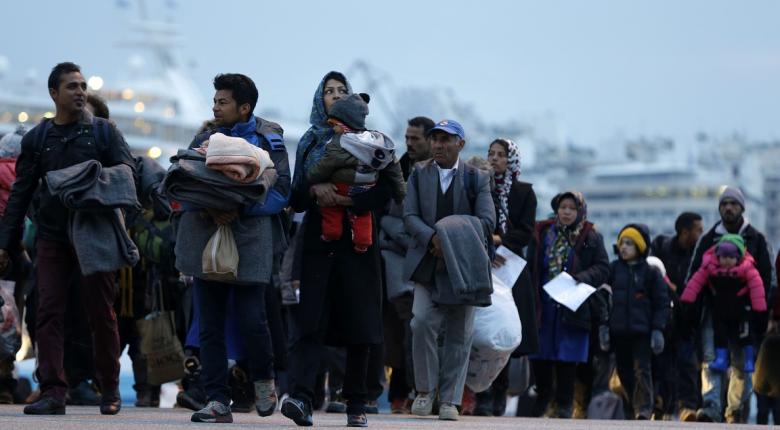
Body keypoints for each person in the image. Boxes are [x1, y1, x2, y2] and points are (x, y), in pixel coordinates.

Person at [0, 62, 135, 415]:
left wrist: (88, 182)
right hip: (53, 236)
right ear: (53, 93)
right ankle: (53, 392)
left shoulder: (104, 132)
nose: (80, 92)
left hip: (95, 233)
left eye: (83, 85)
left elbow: (128, 175)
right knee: (47, 313)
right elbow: (20, 194)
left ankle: (109, 389)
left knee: (101, 313)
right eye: (72, 86)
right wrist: (6, 243)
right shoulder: (37, 139)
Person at [177, 73, 289, 423]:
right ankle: (216, 400)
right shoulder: (204, 139)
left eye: (222, 102)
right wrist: (211, 209)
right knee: (209, 325)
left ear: (245, 107)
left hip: (251, 241)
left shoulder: (269, 139)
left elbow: (282, 190)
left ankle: (263, 380)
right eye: (215, 101)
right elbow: (182, 184)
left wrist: (241, 209)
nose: (215, 107)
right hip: (208, 238)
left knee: (252, 319)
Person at [283, 71, 393, 428]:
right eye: (329, 91)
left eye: (342, 91)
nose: (335, 95)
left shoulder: (373, 142)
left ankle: (356, 402)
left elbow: (387, 192)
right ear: (320, 99)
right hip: (320, 243)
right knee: (310, 321)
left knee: (361, 324)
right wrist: (315, 190)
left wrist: (350, 200)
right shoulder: (311, 141)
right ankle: (301, 396)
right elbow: (297, 196)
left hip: (360, 245)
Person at [404, 119, 495, 421]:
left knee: (460, 332)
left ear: (461, 144)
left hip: (464, 266)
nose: (438, 145)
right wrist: (432, 238)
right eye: (435, 139)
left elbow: (487, 221)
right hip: (427, 262)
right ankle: (425, 391)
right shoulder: (419, 174)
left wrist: (449, 237)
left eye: (446, 139)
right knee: (421, 322)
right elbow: (410, 216)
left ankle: (450, 400)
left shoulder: (477, 178)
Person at [686, 186, 775, 423]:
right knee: (710, 358)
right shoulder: (708, 239)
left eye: (733, 204)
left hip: (745, 313)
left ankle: (734, 409)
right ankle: (711, 407)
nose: (728, 208)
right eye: (724, 204)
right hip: (712, 311)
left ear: (742, 208)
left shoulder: (757, 239)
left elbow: (768, 278)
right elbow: (694, 275)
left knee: (741, 364)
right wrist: (691, 308)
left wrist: (762, 313)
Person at [527, 191, 610, 418]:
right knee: (540, 353)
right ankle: (543, 399)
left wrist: (580, 278)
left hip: (573, 305)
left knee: (568, 354)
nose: (566, 212)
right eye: (563, 207)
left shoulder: (590, 236)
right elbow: (531, 264)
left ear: (580, 211)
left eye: (572, 209)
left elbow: (603, 268)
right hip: (544, 304)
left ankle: (565, 404)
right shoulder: (543, 232)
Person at [473, 138, 537, 417]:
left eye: (501, 155)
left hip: (511, 268)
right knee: (482, 330)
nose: (495, 159)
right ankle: (482, 394)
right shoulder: (479, 185)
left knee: (506, 332)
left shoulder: (524, 192)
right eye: (491, 153)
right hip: (483, 264)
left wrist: (499, 241)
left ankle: (500, 390)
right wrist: (487, 246)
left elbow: (526, 231)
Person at [380, 116, 435, 413]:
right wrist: (415, 237)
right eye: (407, 138)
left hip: (428, 262)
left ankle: (417, 391)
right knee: (404, 328)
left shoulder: (440, 173)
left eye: (416, 139)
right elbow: (386, 216)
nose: (410, 144)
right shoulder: (397, 170)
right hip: (399, 264)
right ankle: (408, 392)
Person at [307, 93, 405, 253]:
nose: (333, 128)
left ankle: (331, 233)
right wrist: (401, 194)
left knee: (331, 211)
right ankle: (363, 242)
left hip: (340, 190)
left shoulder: (338, 143)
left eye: (335, 124)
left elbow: (322, 168)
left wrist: (313, 179)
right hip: (365, 189)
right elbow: (394, 171)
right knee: (363, 217)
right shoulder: (376, 143)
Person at [603, 224, 669, 420]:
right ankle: (634, 405)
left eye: (629, 243)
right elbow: (603, 299)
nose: (623, 247)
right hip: (618, 331)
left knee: (642, 370)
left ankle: (644, 409)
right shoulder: (613, 269)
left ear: (639, 246)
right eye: (622, 243)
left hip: (642, 332)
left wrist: (657, 329)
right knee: (623, 371)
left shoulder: (651, 273)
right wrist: (604, 326)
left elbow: (661, 303)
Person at [681, 234, 766, 372]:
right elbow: (695, 283)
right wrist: (687, 299)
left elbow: (757, 289)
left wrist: (759, 309)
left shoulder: (747, 269)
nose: (727, 260)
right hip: (720, 310)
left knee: (746, 335)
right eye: (723, 257)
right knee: (720, 335)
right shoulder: (709, 268)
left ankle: (749, 360)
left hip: (741, 311)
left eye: (731, 257)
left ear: (738, 257)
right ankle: (721, 359)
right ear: (718, 256)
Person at [650, 211, 703, 421]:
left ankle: (687, 407)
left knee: (688, 364)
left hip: (688, 320)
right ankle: (662, 406)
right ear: (685, 231)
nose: (701, 234)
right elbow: (652, 270)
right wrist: (668, 286)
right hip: (665, 317)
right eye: (698, 230)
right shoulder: (661, 246)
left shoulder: (699, 253)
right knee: (662, 365)